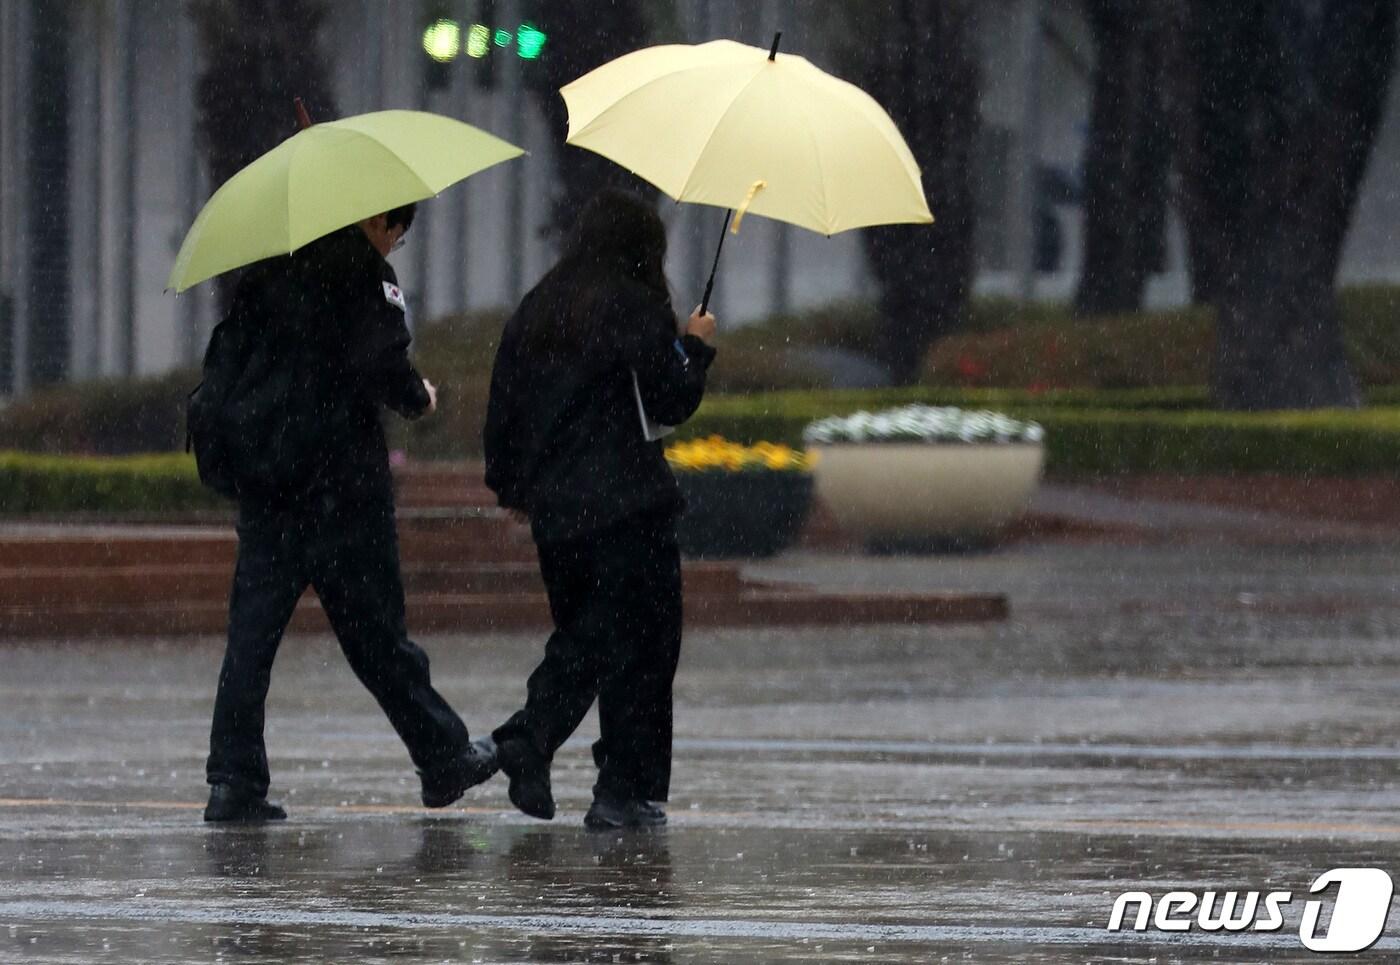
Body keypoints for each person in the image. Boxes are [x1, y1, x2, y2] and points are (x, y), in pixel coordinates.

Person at [199, 204, 496, 822]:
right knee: (377, 638)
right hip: (342, 494)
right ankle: (442, 758)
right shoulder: (364, 274)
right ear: (378, 221)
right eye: (398, 233)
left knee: (250, 644)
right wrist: (421, 397)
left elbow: (229, 365)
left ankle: (233, 781)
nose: (394, 245)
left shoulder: (267, 273)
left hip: (270, 490)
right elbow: (384, 364)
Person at [482, 189, 717, 830]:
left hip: (558, 515)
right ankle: (612, 782)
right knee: (640, 648)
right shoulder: (633, 306)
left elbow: (504, 406)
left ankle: (538, 750)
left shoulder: (540, 308)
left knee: (589, 637)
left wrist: (512, 488)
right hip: (627, 507)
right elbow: (670, 400)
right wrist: (693, 346)